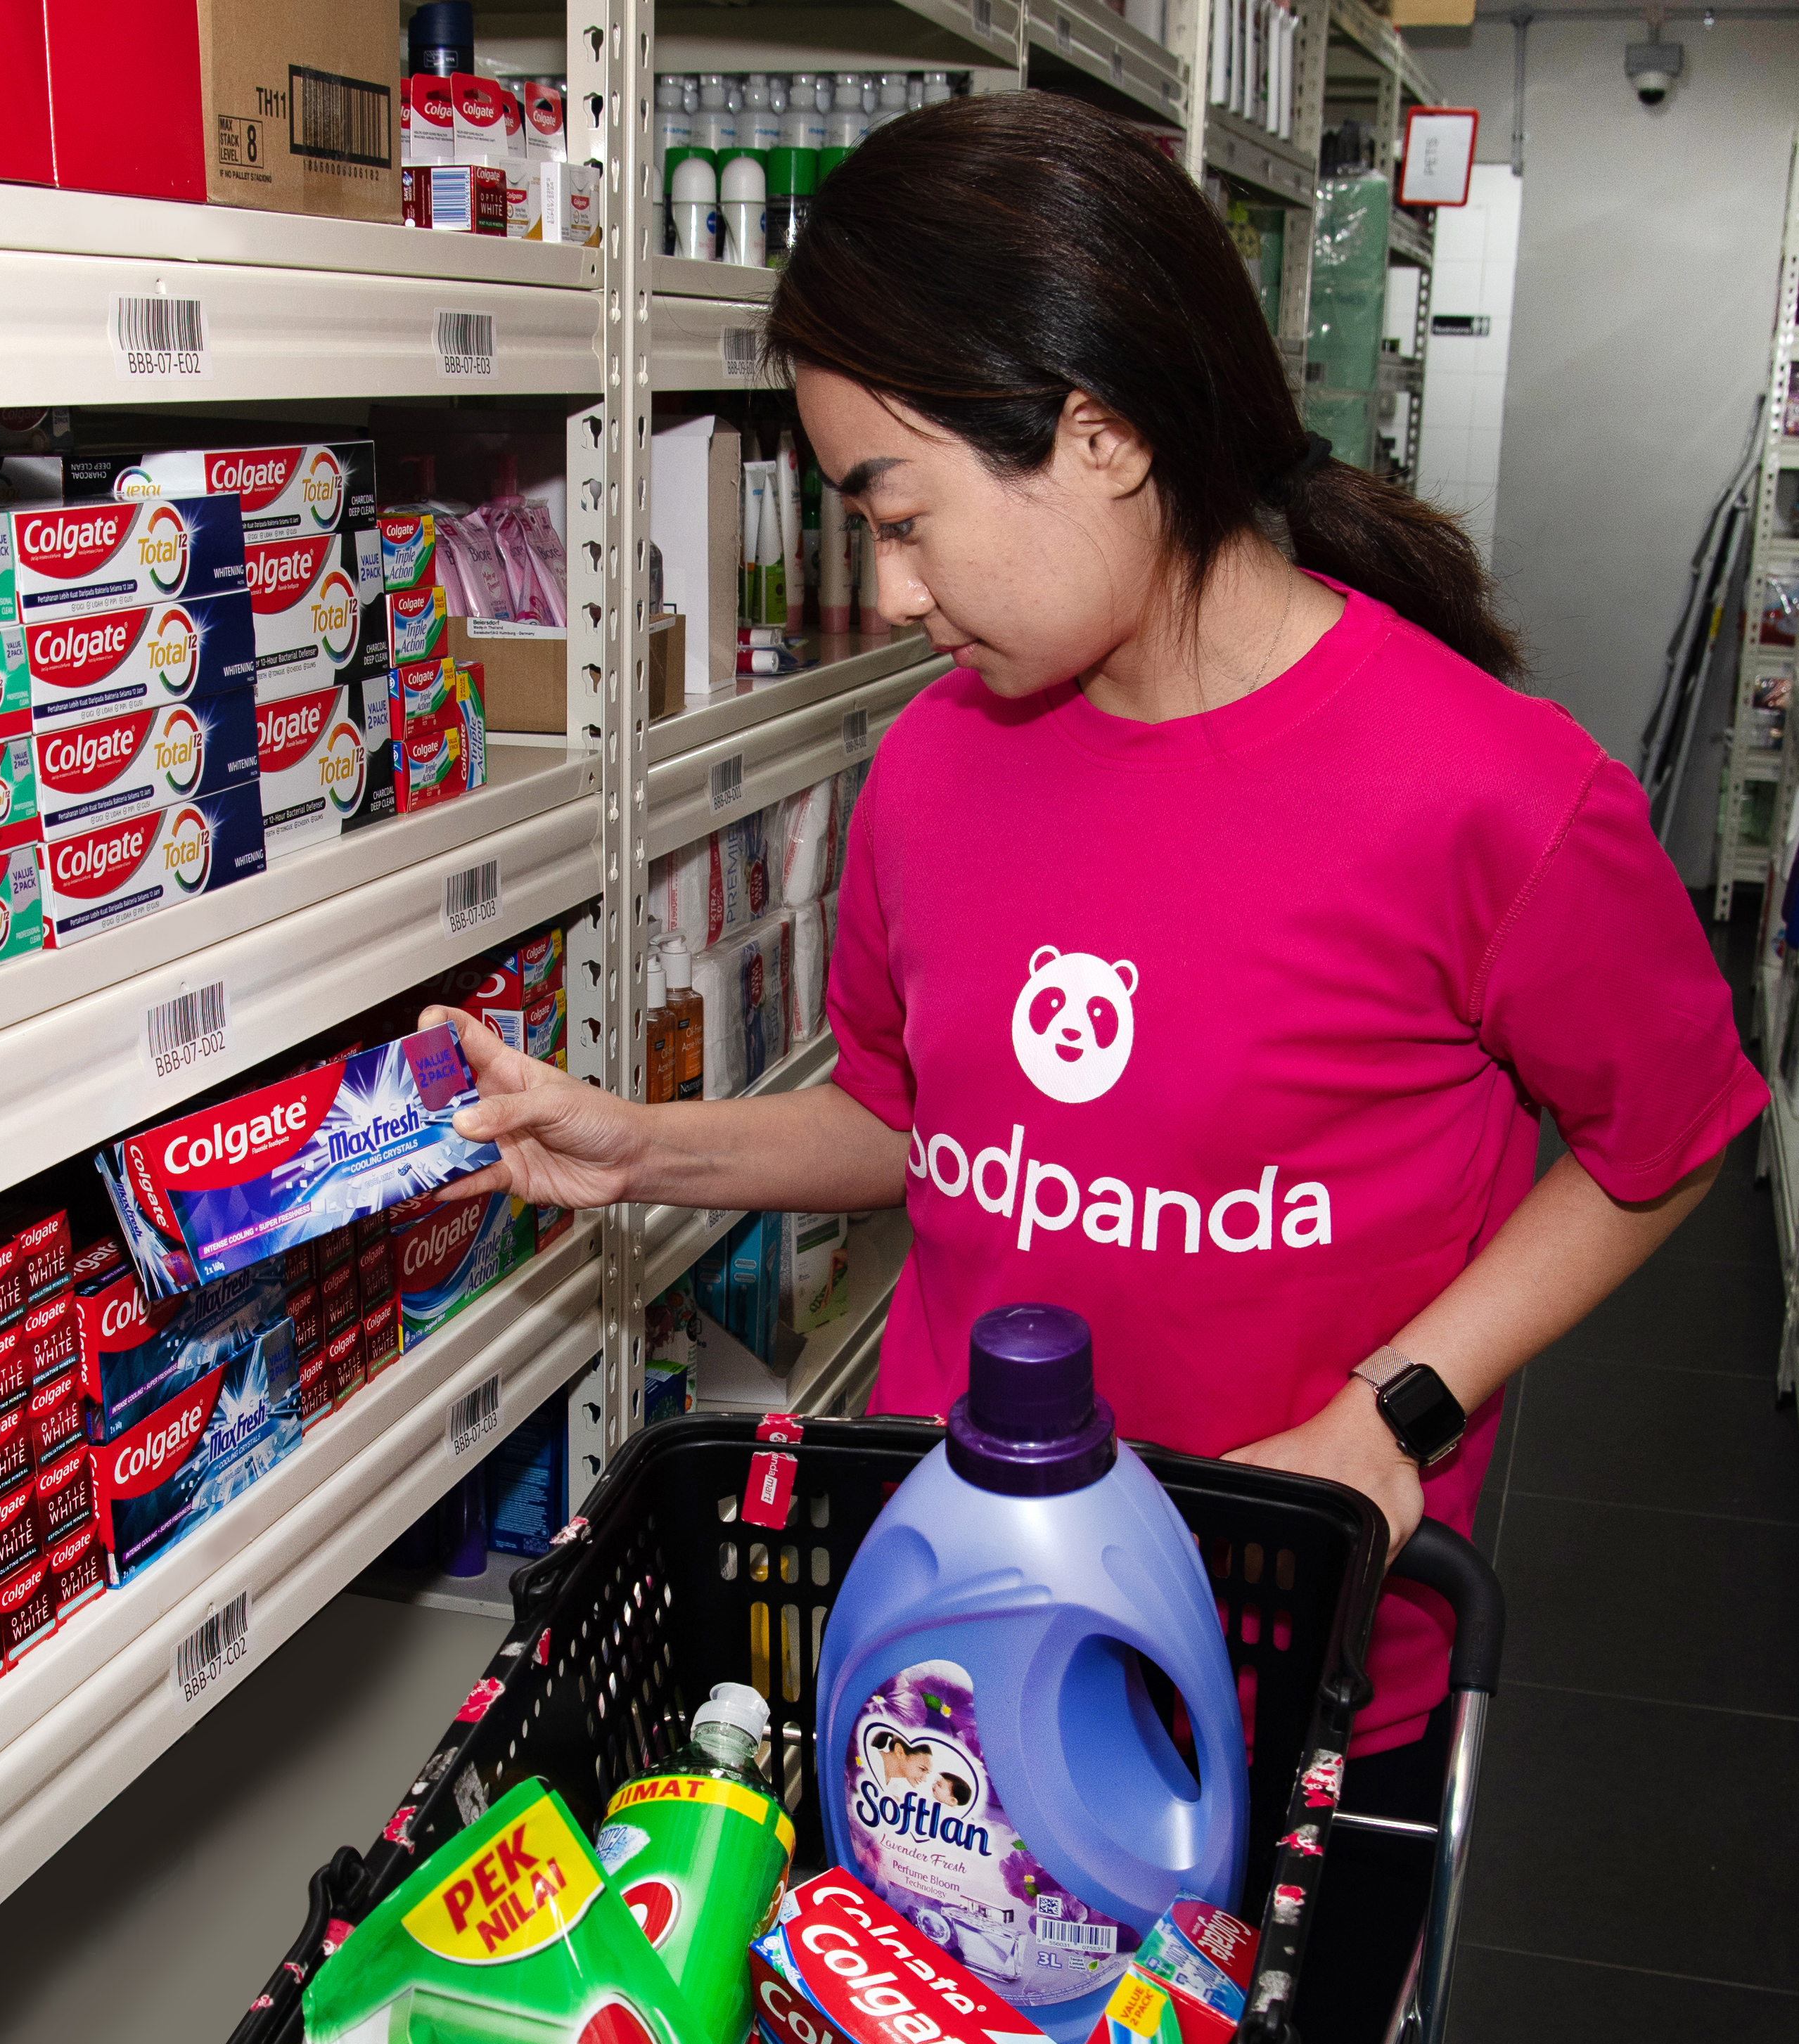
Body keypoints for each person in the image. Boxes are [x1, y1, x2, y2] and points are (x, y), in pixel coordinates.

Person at [428, 92, 1764, 1759]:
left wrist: (1394, 1410)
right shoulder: (931, 767)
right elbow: (916, 1127)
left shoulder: (1493, 795)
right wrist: (637, 1148)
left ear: (1103, 434)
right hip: (945, 1633)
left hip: (1278, 1649)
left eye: (901, 515)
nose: (892, 590)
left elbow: (1670, 1138)